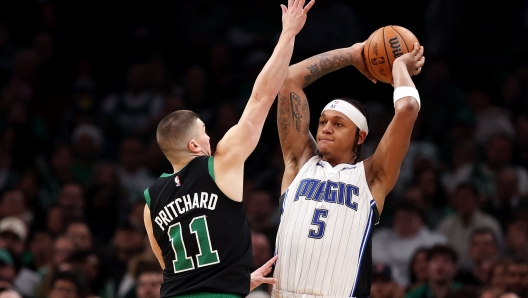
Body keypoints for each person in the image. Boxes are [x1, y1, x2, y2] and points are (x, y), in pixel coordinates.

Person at [142, 1, 315, 297]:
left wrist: (237, 282)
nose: (211, 139)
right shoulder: (219, 164)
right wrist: (288, 33)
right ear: (194, 145)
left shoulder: (150, 202)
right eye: (205, 133)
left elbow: (175, 270)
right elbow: (262, 97)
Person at [272, 31, 425, 297]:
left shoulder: (372, 177)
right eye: (322, 122)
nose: (326, 128)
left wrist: (399, 67)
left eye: (338, 124)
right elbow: (288, 79)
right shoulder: (300, 162)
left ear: (360, 136)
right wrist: (354, 54)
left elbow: (408, 108)